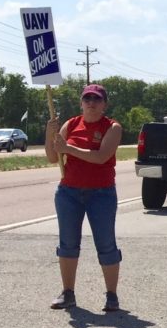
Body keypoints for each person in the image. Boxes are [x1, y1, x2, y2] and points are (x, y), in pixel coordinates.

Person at [45, 84, 123, 312]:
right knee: (67, 244)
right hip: (68, 192)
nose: (91, 103)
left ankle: (112, 295)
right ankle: (67, 292)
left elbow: (101, 157)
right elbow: (52, 157)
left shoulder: (113, 127)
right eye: (87, 98)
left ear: (104, 104)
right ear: (81, 103)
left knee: (106, 244)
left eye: (96, 99)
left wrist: (68, 149)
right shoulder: (71, 124)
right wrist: (50, 133)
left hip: (102, 194)